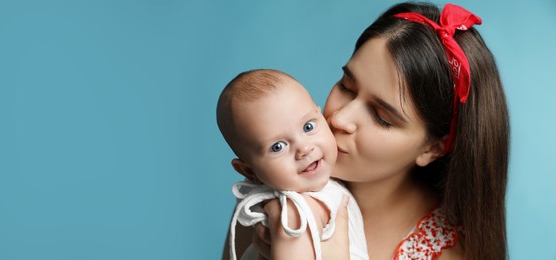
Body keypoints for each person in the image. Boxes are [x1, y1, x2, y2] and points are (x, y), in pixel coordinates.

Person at [240, 2, 509, 259]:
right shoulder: (277, 184)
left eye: (381, 117)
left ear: (432, 148)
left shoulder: (449, 253)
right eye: (346, 86)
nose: (340, 119)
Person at [217, 69, 369, 260]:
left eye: (308, 127)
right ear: (249, 171)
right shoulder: (295, 211)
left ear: (320, 115)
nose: (304, 149)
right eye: (278, 147)